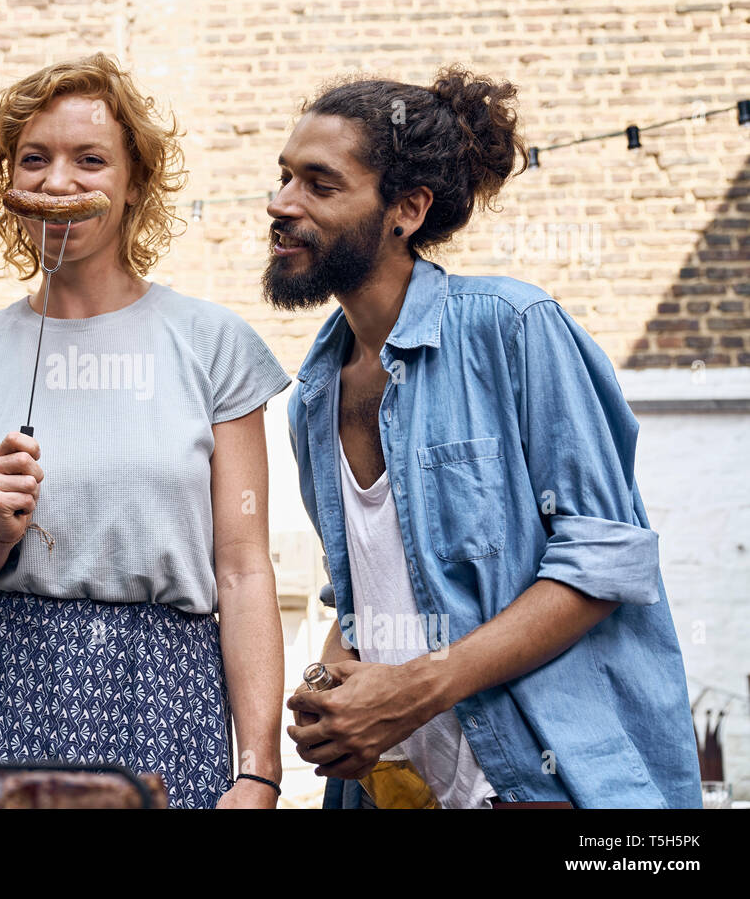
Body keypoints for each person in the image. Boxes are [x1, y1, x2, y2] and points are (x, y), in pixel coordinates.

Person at [272, 68, 701, 808]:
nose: (281, 204)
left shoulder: (514, 328)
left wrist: (412, 689)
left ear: (405, 209)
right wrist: (329, 688)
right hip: (397, 791)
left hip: (548, 786)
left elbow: (603, 560)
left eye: (319, 183)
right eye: (283, 177)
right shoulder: (313, 393)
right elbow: (368, 597)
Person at [0, 54, 290, 808]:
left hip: (167, 693)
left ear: (134, 184)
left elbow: (244, 571)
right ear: (8, 182)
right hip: (2, 695)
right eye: (34, 160)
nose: (59, 182)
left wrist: (259, 769)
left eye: (91, 160)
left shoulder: (213, 343)